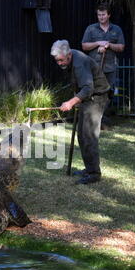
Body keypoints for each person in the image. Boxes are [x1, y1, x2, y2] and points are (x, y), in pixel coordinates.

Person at [51, 40, 110, 185]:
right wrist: (78, 99)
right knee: (82, 135)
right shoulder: (71, 59)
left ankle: (94, 174)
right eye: (57, 60)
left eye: (61, 60)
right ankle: (89, 169)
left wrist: (71, 102)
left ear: (69, 55)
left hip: (97, 97)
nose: (59, 63)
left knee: (89, 135)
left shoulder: (79, 63)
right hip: (87, 98)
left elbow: (88, 88)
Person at [81, 2, 125, 124]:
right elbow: (84, 46)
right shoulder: (91, 28)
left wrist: (109, 45)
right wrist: (98, 43)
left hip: (111, 67)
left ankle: (101, 116)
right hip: (94, 67)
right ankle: (94, 117)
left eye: (103, 14)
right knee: (94, 91)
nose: (101, 17)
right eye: (99, 15)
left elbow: (121, 47)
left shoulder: (116, 29)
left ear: (109, 15)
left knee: (109, 92)